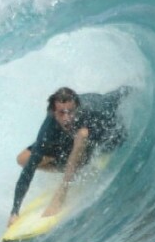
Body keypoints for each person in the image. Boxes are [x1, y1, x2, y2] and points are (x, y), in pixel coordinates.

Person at [8, 86, 130, 228]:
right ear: (53, 112)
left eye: (70, 112)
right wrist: (14, 211)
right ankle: (72, 167)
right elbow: (28, 171)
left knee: (82, 133)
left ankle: (63, 191)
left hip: (100, 138)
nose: (66, 118)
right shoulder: (48, 130)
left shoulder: (94, 109)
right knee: (23, 159)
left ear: (77, 108)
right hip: (70, 146)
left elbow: (115, 99)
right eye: (61, 113)